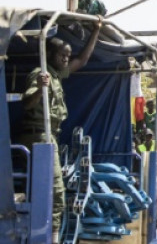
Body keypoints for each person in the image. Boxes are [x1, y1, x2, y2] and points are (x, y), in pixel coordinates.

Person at [18, 20, 101, 239]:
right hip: (39, 135)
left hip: (50, 135)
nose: (65, 59)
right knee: (56, 193)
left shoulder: (56, 75)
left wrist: (96, 31)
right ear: (50, 55)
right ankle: (52, 239)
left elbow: (81, 60)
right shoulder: (41, 74)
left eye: (67, 55)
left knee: (51, 191)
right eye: (61, 55)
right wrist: (40, 89)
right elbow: (27, 101)